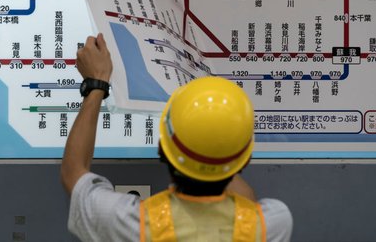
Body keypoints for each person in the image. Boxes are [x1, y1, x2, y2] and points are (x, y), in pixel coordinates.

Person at [62, 34, 293, 241]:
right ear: (245, 159)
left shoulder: (130, 224)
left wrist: (97, 83)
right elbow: (245, 199)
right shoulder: (272, 224)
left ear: (163, 146)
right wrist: (215, 134)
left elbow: (74, 173)